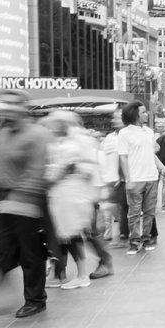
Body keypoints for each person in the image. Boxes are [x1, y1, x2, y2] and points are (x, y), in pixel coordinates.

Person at [0, 90, 52, 318]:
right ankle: (2, 288)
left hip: (25, 202)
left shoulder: (36, 134)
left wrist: (17, 198)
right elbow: (0, 165)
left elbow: (36, 173)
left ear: (24, 107)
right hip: (3, 200)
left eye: (14, 104)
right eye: (6, 104)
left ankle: (35, 300)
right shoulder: (3, 132)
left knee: (30, 254)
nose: (9, 108)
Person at [43, 111, 101, 289]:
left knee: (72, 234)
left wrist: (63, 170)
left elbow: (86, 166)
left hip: (72, 196)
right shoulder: (62, 141)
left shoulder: (77, 141)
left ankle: (82, 274)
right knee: (64, 235)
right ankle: (59, 274)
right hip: (62, 195)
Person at [115, 103, 165, 254]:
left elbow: (151, 153)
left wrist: (161, 168)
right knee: (134, 212)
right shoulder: (124, 133)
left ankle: (146, 239)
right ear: (135, 114)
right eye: (143, 112)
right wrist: (128, 179)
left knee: (150, 211)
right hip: (135, 178)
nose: (147, 114)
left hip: (151, 176)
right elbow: (123, 158)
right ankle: (134, 242)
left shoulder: (149, 132)